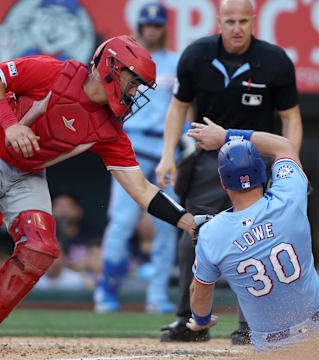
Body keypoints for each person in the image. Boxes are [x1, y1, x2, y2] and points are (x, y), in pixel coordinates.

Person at [0, 34, 195, 324]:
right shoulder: (54, 72)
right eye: (134, 80)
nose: (136, 91)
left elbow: (142, 189)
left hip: (26, 174)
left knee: (40, 248)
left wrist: (186, 221)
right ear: (112, 67)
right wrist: (10, 125)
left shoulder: (110, 131)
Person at [156, 0, 302, 343]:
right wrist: (167, 156)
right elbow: (177, 109)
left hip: (260, 158)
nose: (236, 28)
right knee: (194, 232)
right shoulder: (196, 56)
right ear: (218, 20)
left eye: (243, 21)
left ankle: (254, 326)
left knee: (262, 237)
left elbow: (291, 118)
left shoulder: (275, 60)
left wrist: (290, 160)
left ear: (254, 20)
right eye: (229, 20)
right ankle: (191, 321)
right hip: (210, 158)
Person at [185, 121, 319, 351]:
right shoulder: (289, 197)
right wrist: (225, 135)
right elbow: (284, 146)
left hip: (275, 349)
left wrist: (201, 321)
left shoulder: (211, 233)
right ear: (261, 173)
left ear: (222, 181)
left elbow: (199, 293)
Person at [94, 2, 181, 315]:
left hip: (165, 153)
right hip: (130, 147)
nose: (152, 30)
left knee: (169, 225)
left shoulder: (175, 61)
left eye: (157, 25)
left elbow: (185, 107)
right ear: (140, 26)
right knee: (122, 223)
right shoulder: (124, 58)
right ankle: (106, 291)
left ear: (164, 28)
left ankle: (157, 296)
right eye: (148, 25)